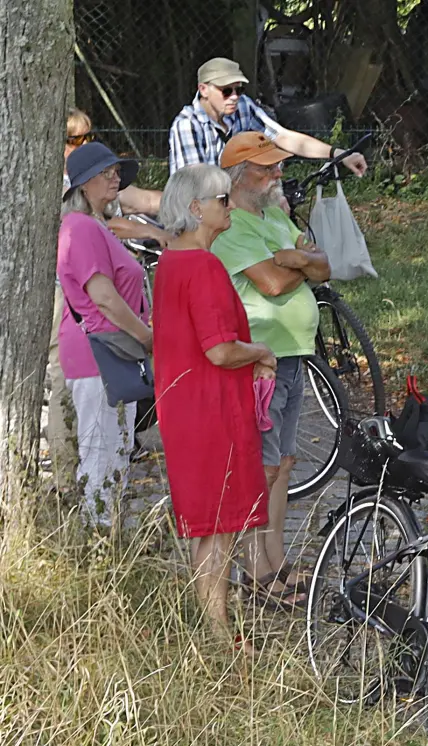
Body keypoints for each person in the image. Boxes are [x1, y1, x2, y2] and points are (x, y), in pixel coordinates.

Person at [152, 164, 275, 650]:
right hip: (209, 407)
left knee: (212, 521)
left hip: (186, 404)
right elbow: (219, 350)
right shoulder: (201, 266)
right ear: (195, 208)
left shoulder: (172, 262)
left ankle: (214, 624)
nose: (228, 205)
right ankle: (219, 632)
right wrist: (262, 351)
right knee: (218, 522)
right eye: (222, 199)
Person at [211, 132, 326, 604]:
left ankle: (274, 558)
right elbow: (275, 284)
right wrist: (301, 262)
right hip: (262, 359)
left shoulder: (275, 214)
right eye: (267, 168)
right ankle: (255, 570)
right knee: (263, 466)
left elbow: (324, 265)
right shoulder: (233, 226)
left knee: (283, 463)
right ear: (240, 177)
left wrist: (298, 258)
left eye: (279, 166)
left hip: (293, 354)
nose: (278, 174)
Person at [57, 142, 153, 525]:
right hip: (97, 351)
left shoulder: (97, 225)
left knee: (117, 450)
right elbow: (103, 297)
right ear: (83, 185)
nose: (116, 178)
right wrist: (146, 337)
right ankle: (96, 544)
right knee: (101, 453)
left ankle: (107, 539)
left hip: (111, 351)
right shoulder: (79, 227)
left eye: (117, 172)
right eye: (106, 172)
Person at [168, 58, 368, 177]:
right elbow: (194, 189)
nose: (235, 97)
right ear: (203, 89)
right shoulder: (188, 125)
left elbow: (283, 137)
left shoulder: (243, 106)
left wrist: (341, 154)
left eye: (239, 89)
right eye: (226, 90)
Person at [65, 108, 167, 243]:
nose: (85, 144)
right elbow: (97, 222)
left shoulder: (105, 180)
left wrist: (189, 203)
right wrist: (152, 231)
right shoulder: (56, 188)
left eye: (88, 137)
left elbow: (147, 201)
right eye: (76, 140)